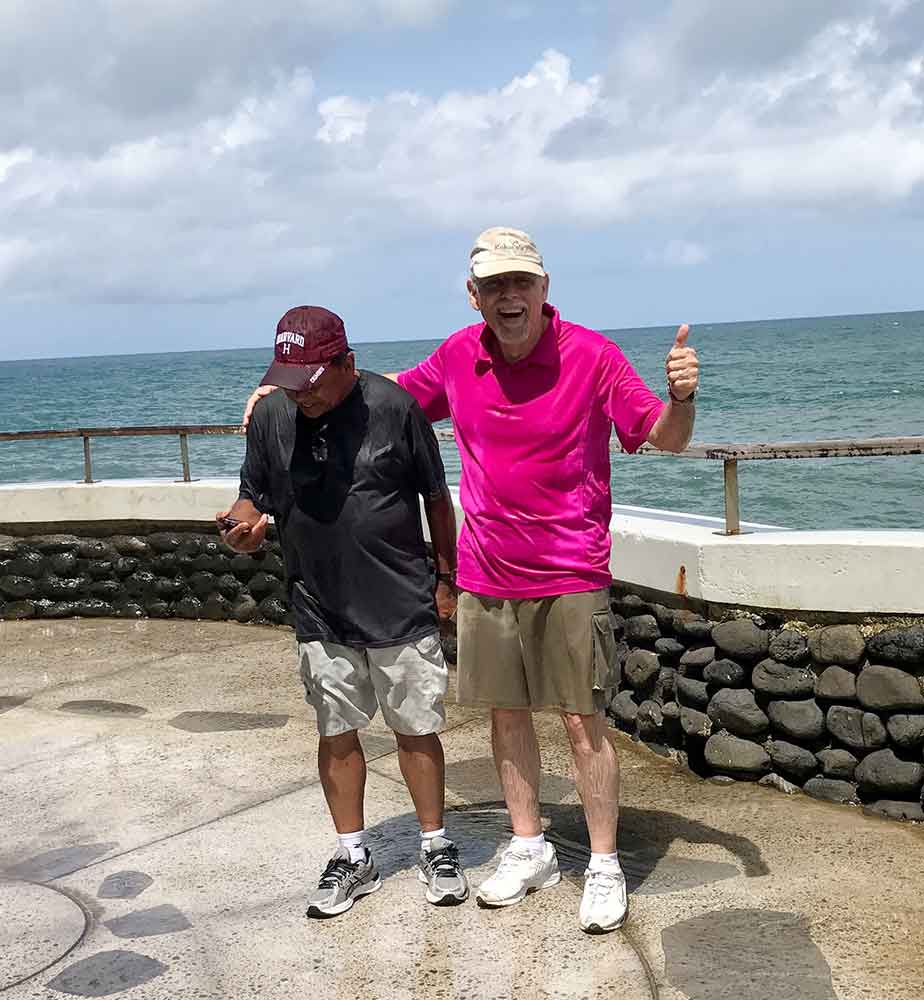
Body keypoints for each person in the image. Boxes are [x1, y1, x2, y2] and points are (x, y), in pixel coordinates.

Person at [243, 229, 699, 933]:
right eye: (494, 286)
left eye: (521, 283)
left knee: (584, 721)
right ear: (474, 295)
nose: (508, 297)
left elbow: (663, 437)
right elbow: (379, 397)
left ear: (545, 289)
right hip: (487, 574)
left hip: (572, 570)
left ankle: (603, 865)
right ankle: (528, 845)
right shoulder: (460, 355)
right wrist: (278, 390)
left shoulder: (593, 355)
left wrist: (683, 398)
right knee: (506, 716)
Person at [221, 304, 468, 919]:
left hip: (400, 600)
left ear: (346, 365)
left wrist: (446, 580)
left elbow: (437, 501)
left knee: (416, 727)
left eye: (310, 380)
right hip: (318, 604)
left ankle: (435, 844)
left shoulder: (394, 407)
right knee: (335, 732)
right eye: (288, 379)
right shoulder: (272, 415)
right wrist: (242, 526)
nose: (299, 395)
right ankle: (353, 855)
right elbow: (253, 496)